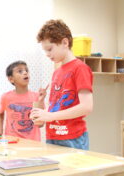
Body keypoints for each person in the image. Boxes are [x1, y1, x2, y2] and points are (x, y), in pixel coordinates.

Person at [30, 19, 93, 150]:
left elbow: (86, 107)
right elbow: (57, 107)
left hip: (72, 138)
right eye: (45, 51)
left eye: (50, 49)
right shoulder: (56, 72)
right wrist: (43, 114)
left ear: (65, 42)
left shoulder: (80, 68)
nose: (47, 54)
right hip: (52, 136)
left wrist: (50, 116)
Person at [0, 60, 46, 141]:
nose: (25, 73)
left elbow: (40, 124)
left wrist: (41, 100)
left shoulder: (36, 96)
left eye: (26, 70)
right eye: (20, 71)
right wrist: (0, 130)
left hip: (33, 142)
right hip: (12, 141)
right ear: (11, 79)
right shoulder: (6, 97)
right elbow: (0, 113)